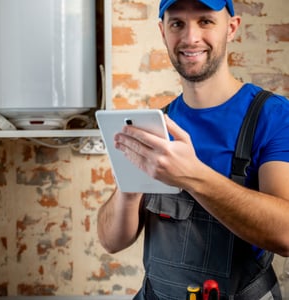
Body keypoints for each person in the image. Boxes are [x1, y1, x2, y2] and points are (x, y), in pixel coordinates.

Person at [97, 0, 289, 299]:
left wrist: (192, 175)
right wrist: (130, 187)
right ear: (163, 32)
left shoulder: (273, 115)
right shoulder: (158, 125)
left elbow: (286, 235)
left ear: (232, 28)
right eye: (177, 24)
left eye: (205, 21)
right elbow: (110, 241)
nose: (190, 37)